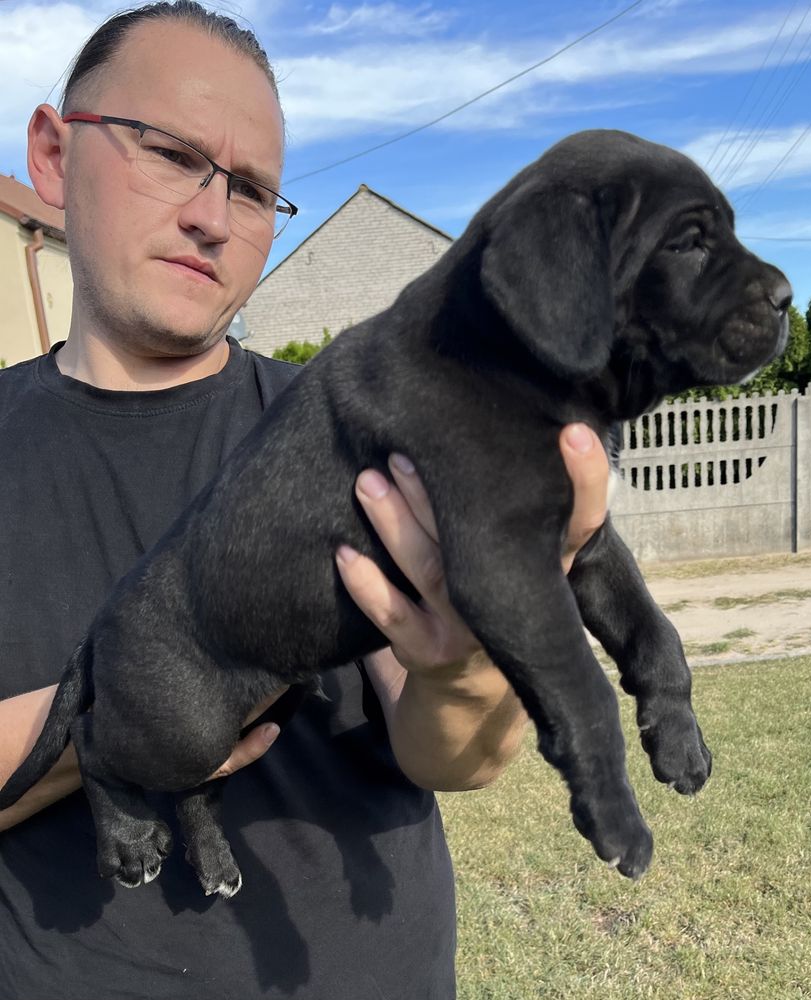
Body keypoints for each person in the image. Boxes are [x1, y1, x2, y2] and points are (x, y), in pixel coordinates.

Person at [0, 3, 611, 997]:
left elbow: (459, 755)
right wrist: (152, 713)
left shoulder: (355, 437)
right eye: (170, 153)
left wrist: (465, 669)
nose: (212, 215)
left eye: (251, 190)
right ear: (55, 156)